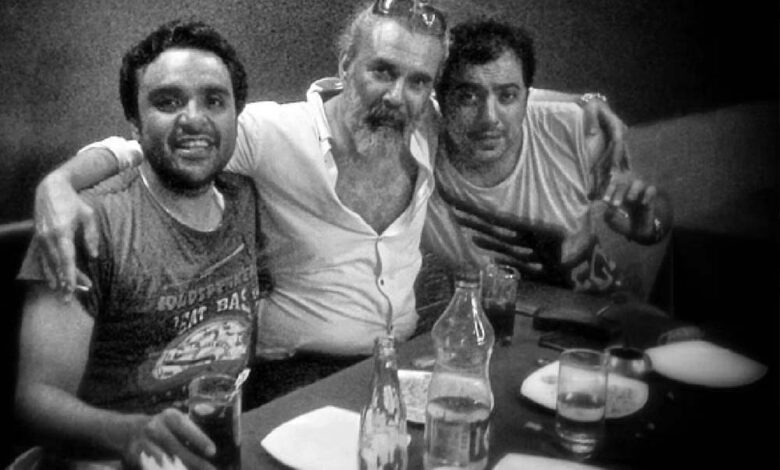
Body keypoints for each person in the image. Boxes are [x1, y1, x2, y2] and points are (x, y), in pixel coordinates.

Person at [31, 1, 628, 360]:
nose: (398, 95)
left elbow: (498, 94)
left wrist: (587, 102)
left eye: (418, 81)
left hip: (405, 353)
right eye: (382, 71)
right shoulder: (274, 132)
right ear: (345, 65)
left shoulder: (425, 122)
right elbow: (141, 146)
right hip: (301, 366)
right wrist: (57, 184)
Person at [15, 20, 261, 469]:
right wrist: (131, 433)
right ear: (135, 122)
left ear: (235, 114)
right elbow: (36, 399)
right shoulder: (88, 224)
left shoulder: (245, 199)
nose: (194, 118)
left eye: (214, 100)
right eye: (168, 102)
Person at [423, 19, 672, 293]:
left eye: (507, 96)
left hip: (595, 307)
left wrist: (649, 227)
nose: (489, 118)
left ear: (526, 98)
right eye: (468, 97)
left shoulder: (572, 130)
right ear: (440, 98)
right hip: (488, 315)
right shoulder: (420, 142)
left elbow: (657, 207)